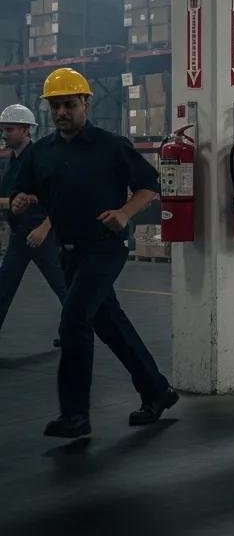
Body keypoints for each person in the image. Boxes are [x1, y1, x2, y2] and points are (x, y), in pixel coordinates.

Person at [15, 68, 177, 438]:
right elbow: (30, 192)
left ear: (85, 103)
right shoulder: (42, 152)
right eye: (55, 106)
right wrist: (25, 200)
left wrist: (124, 212)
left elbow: (149, 185)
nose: (61, 113)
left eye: (69, 104)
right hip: (69, 252)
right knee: (110, 324)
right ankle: (157, 389)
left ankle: (75, 415)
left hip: (105, 248)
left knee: (73, 321)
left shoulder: (111, 145)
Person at [0, 104, 66, 345]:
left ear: (25, 129)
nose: (4, 134)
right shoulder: (11, 161)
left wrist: (44, 228)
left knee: (63, 287)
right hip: (20, 235)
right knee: (4, 286)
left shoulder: (41, 158)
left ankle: (75, 331)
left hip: (42, 235)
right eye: (3, 130)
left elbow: (59, 198)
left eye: (8, 129)